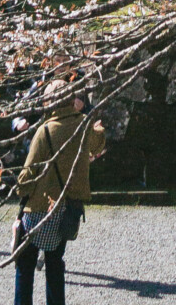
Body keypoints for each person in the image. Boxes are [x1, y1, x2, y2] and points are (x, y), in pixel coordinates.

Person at [11, 84, 106, 305]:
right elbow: (98, 143)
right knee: (55, 265)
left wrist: (20, 192)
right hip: (66, 211)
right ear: (71, 99)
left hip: (38, 211)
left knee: (25, 266)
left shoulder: (45, 131)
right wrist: (99, 128)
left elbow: (26, 176)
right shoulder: (83, 126)